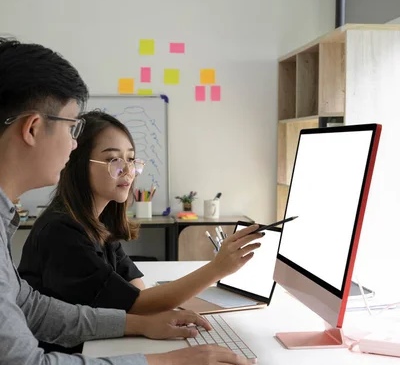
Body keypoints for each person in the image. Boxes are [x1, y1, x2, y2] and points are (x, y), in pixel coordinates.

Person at [0, 38, 258, 365]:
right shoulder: (57, 228)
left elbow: (26, 305)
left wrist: (137, 326)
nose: (73, 146)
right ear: (34, 128)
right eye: (72, 130)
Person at [19, 110, 264, 322]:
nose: (128, 170)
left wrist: (153, 308)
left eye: (131, 159)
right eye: (113, 159)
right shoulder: (62, 231)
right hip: (60, 359)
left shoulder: (98, 220)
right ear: (79, 164)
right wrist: (216, 269)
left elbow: (133, 283)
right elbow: (135, 304)